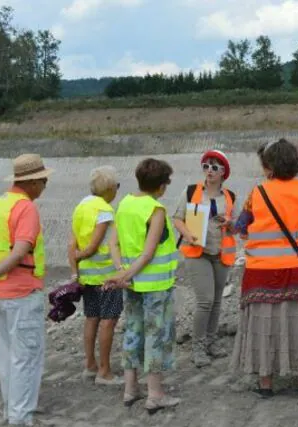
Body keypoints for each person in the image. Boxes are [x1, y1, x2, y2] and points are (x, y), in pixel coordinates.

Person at [230, 139, 298, 401]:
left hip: (261, 272)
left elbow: (241, 228)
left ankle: (266, 382)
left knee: (264, 326)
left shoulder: (257, 193)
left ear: (269, 166)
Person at [0, 153, 54, 427]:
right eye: (42, 180)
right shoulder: (25, 209)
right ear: (31, 182)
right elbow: (20, 251)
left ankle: (12, 408)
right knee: (26, 354)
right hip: (20, 291)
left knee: (8, 353)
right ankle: (22, 417)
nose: (45, 184)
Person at [104, 158, 181, 413]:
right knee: (156, 335)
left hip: (132, 284)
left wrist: (121, 273)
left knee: (133, 331)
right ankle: (155, 394)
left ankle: (130, 389)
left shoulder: (124, 204)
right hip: (155, 284)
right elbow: (148, 253)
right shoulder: (155, 210)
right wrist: (126, 274)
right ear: (161, 186)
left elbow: (112, 244)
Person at [173, 150, 239, 368]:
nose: (209, 170)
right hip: (196, 252)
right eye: (206, 166)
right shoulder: (191, 191)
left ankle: (211, 342)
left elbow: (237, 226)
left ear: (223, 173)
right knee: (205, 300)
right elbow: (177, 218)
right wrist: (188, 234)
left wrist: (229, 223)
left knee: (217, 300)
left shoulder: (230, 197)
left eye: (214, 167)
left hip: (220, 253)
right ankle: (198, 346)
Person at [68, 165, 124, 385]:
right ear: (109, 188)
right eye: (117, 186)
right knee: (108, 321)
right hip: (106, 276)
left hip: (87, 276)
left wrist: (75, 266)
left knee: (91, 318)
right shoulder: (104, 210)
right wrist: (83, 254)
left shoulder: (81, 206)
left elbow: (71, 243)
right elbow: (93, 247)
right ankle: (105, 371)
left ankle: (90, 365)